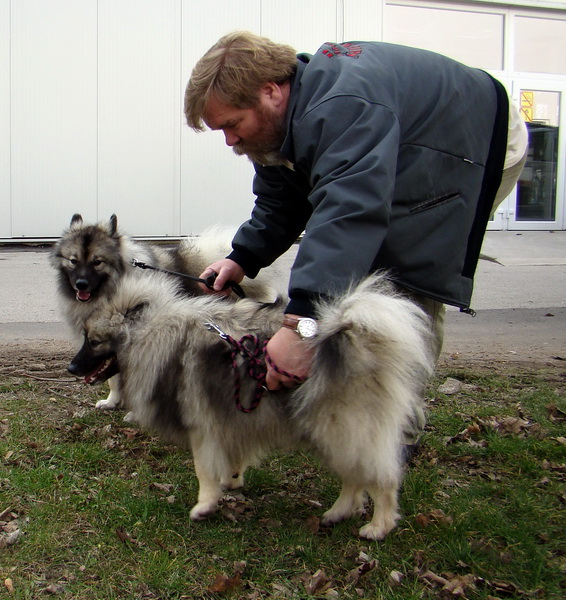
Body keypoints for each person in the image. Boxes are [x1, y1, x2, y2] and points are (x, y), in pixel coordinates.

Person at [185, 31, 528, 396]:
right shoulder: (279, 123)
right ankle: (358, 383)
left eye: (232, 125)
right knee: (358, 266)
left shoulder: (342, 106)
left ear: (270, 91)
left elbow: (348, 210)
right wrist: (242, 257)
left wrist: (301, 324)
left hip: (471, 139)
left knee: (404, 272)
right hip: (409, 134)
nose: (230, 141)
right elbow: (282, 200)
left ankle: (395, 420)